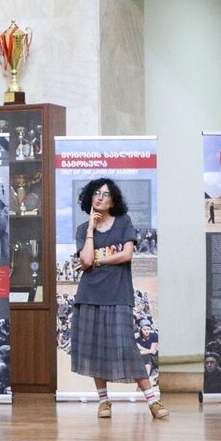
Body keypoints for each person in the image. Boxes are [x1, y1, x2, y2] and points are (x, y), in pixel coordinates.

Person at [71, 178, 169, 419]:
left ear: (113, 200)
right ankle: (104, 401)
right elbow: (84, 260)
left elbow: (126, 255)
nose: (100, 197)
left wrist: (98, 260)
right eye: (96, 193)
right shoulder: (83, 229)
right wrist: (92, 231)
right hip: (90, 294)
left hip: (118, 294)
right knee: (96, 349)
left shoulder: (124, 222)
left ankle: (152, 402)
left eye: (105, 194)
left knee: (127, 346)